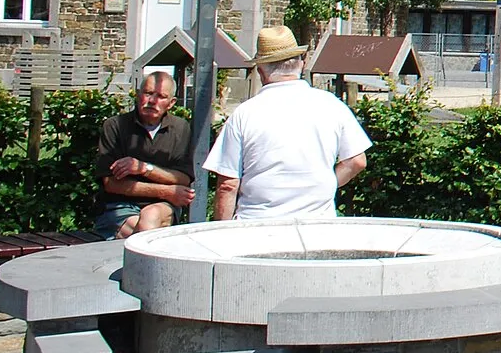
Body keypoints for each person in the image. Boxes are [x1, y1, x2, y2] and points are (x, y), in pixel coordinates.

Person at [207, 25, 371, 221]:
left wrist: (220, 237)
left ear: (261, 71)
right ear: (301, 64)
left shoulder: (244, 114)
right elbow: (357, 161)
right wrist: (323, 186)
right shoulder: (332, 105)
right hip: (318, 224)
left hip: (257, 226)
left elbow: (228, 185)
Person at [93, 72, 193, 238]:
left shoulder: (180, 128)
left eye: (161, 96)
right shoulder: (115, 126)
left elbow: (183, 179)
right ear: (138, 95)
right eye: (148, 93)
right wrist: (167, 191)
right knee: (146, 233)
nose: (152, 101)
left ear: (171, 103)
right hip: (119, 207)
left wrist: (143, 168)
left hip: (162, 207)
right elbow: (111, 184)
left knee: (150, 216)